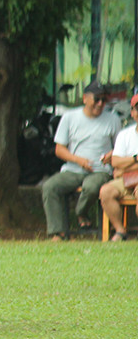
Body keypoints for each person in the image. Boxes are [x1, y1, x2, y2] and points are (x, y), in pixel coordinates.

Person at [41, 81, 120, 241]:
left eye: (104, 100)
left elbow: (119, 148)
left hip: (100, 170)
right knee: (50, 187)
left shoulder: (113, 119)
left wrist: (110, 156)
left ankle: (80, 213)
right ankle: (58, 232)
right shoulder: (69, 117)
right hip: (73, 169)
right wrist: (78, 160)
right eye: (96, 99)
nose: (100, 104)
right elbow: (59, 149)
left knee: (90, 187)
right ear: (85, 98)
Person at [98, 93, 138, 241]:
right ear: (132, 112)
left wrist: (123, 169)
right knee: (106, 191)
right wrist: (136, 158)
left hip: (127, 176)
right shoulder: (124, 135)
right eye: (137, 109)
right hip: (126, 179)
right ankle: (120, 231)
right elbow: (115, 162)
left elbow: (120, 166)